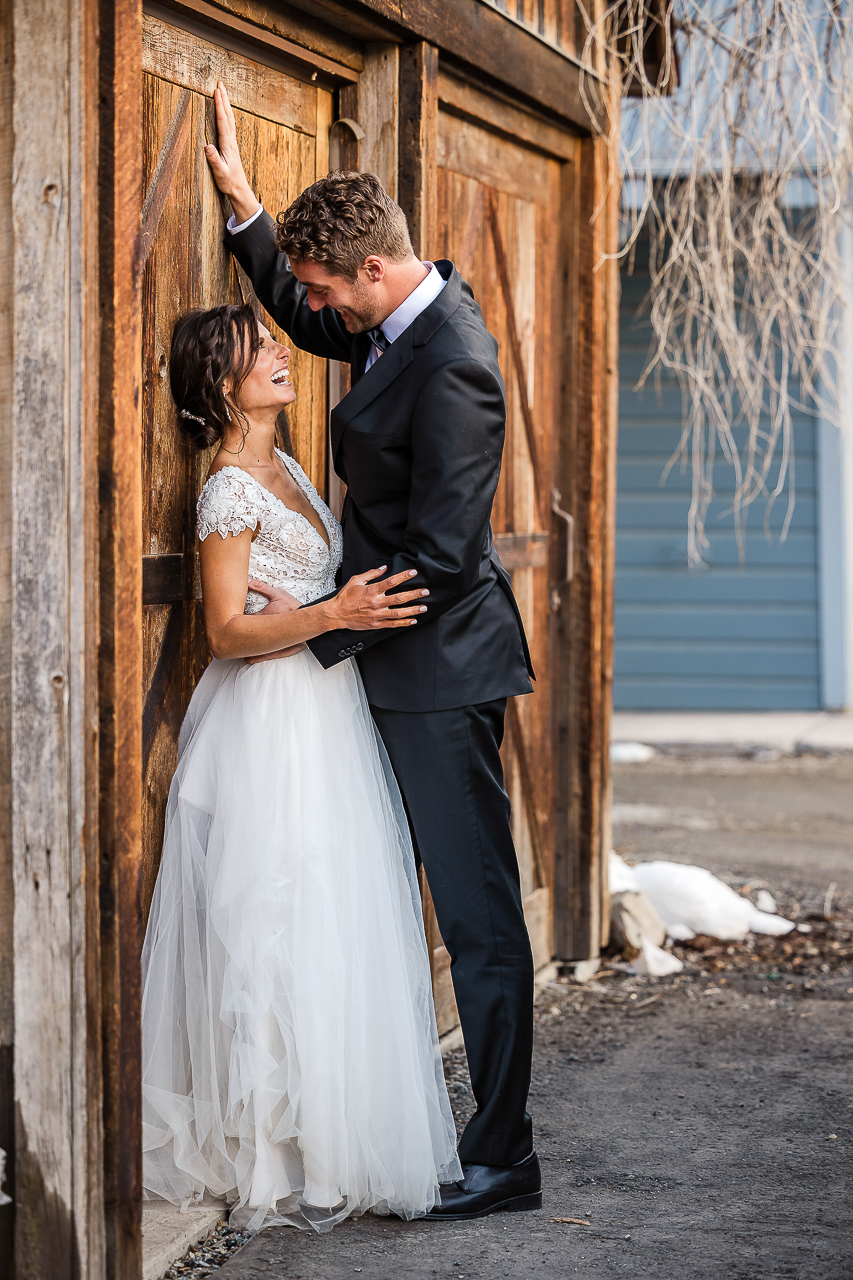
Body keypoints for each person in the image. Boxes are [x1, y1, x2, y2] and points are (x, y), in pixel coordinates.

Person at [205, 81, 541, 1220]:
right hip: (398, 662)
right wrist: (251, 218)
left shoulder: (452, 357)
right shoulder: (398, 324)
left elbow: (443, 554)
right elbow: (308, 329)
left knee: (478, 913)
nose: (314, 310)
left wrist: (316, 616)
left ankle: (502, 1154)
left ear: (373, 275)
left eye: (321, 288)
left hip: (438, 672)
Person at [141, 302, 462, 1233]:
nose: (281, 353)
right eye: (259, 348)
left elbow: (318, 590)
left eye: (278, 340)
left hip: (327, 714)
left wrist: (330, 605)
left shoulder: (289, 467)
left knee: (331, 911)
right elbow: (227, 633)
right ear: (218, 381)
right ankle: (269, 1149)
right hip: (269, 726)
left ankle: (328, 1132)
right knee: (270, 918)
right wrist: (330, 615)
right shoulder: (228, 490)